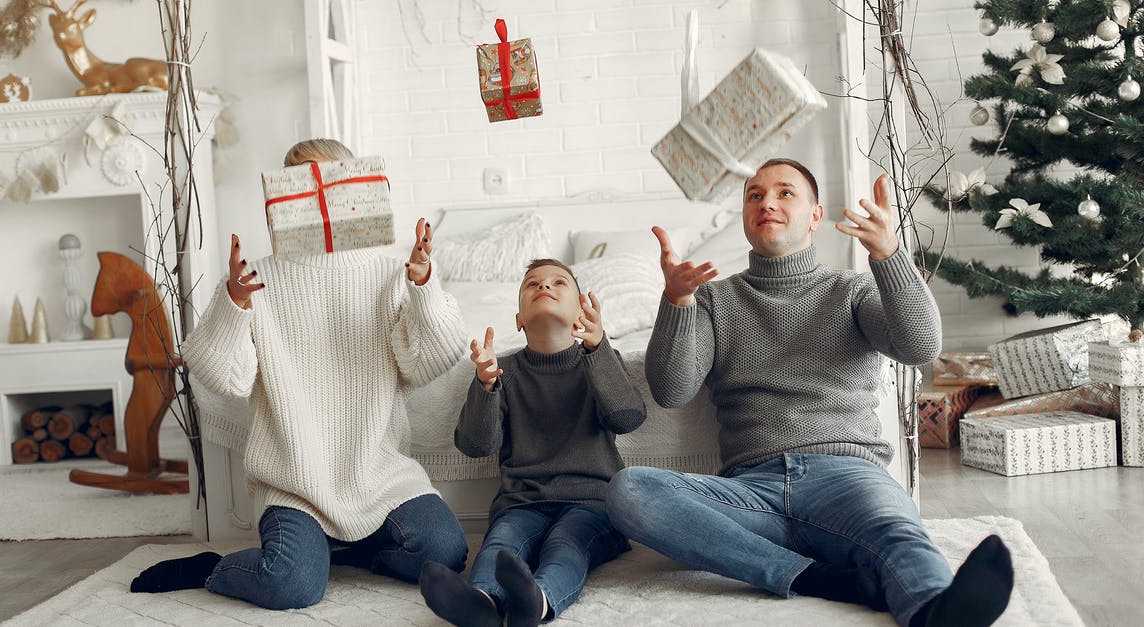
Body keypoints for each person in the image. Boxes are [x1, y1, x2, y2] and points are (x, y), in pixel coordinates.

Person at [606, 158, 1014, 627]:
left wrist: (888, 256)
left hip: (846, 478)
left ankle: (935, 614)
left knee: (900, 536)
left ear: (815, 216)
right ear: (745, 216)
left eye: (784, 193)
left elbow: (920, 345)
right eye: (754, 195)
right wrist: (676, 302)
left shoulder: (852, 289)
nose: (767, 203)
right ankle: (809, 577)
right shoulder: (714, 299)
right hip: (750, 492)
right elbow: (672, 390)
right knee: (630, 490)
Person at [129, 138, 470, 610]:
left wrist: (422, 287)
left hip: (380, 477)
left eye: (330, 182)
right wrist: (234, 302)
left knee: (445, 551)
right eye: (302, 185)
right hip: (295, 485)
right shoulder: (258, 279)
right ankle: (215, 567)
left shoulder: (390, 272)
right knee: (290, 585)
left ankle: (344, 551)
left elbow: (433, 360)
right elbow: (217, 373)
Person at [419, 259, 646, 627]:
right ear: (519, 320)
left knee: (565, 547)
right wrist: (485, 387)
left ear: (579, 313)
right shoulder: (502, 373)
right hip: (522, 502)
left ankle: (536, 601)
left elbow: (627, 418)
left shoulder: (601, 360)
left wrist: (599, 347)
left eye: (559, 283)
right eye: (532, 285)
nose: (544, 287)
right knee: (500, 545)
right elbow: (476, 444)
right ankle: (482, 604)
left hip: (593, 502)